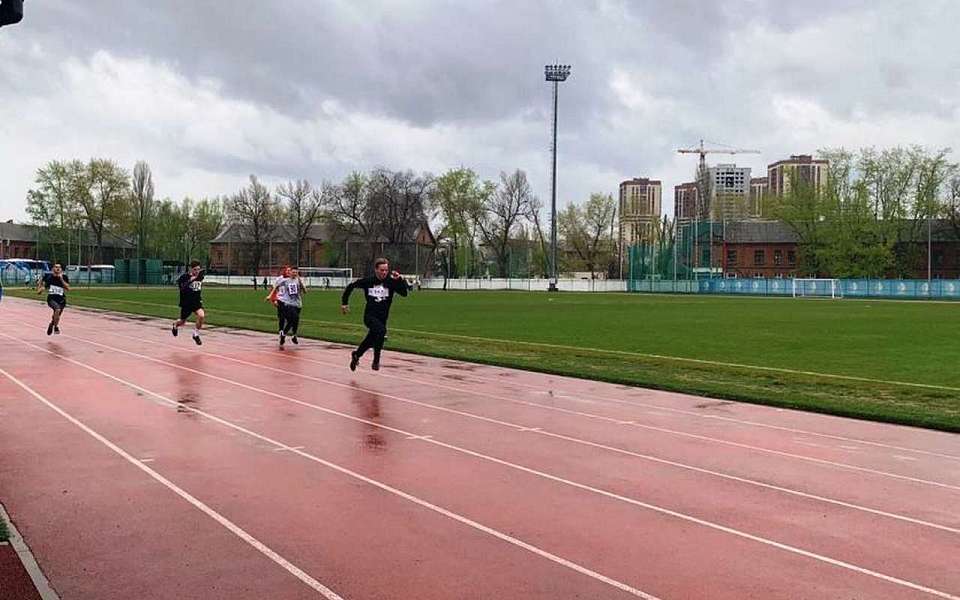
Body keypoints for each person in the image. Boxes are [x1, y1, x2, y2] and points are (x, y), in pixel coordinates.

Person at [340, 257, 408, 371]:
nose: (384, 272)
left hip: (383, 317)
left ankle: (356, 355)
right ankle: (376, 361)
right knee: (381, 331)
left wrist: (400, 280)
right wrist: (344, 303)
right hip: (370, 316)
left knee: (371, 338)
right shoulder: (368, 281)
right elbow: (351, 286)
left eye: (386, 270)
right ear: (376, 270)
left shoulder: (391, 282)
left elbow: (404, 293)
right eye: (382, 270)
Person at [269, 266, 306, 346]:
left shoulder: (299, 280)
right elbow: (276, 286)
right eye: (293, 272)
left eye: (296, 272)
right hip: (289, 304)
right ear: (290, 273)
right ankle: (294, 335)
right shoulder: (286, 281)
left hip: (298, 304)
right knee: (295, 317)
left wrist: (301, 282)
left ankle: (284, 335)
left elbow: (305, 291)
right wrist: (271, 296)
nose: (294, 273)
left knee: (292, 321)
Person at [172, 260, 205, 345]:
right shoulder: (184, 277)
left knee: (201, 315)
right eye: (195, 269)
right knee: (182, 322)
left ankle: (195, 334)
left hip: (196, 302)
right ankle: (175, 325)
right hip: (186, 303)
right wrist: (191, 280)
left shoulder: (200, 277)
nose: (196, 271)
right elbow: (182, 288)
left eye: (198, 269)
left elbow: (198, 288)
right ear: (190, 269)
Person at [36, 262, 70, 335]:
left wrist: (61, 279)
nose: (57, 268)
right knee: (57, 309)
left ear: (61, 270)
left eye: (59, 267)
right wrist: (40, 289)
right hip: (52, 299)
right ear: (53, 269)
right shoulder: (50, 278)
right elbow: (41, 287)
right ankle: (56, 327)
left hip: (61, 300)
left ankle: (52, 324)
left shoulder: (64, 277)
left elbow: (67, 288)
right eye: (56, 267)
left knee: (56, 316)